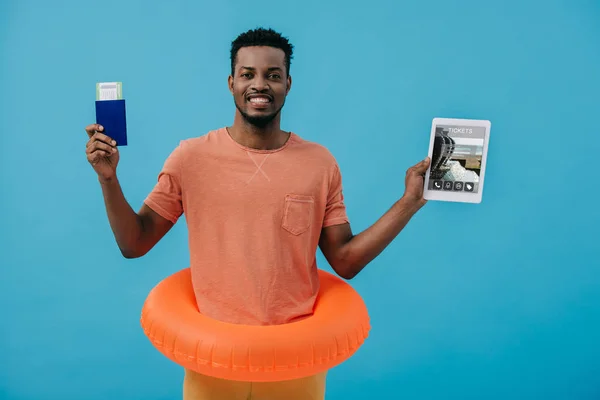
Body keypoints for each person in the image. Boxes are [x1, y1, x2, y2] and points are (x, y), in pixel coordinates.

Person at [84, 27, 430, 400]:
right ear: (232, 82)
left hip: (294, 361)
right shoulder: (191, 158)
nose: (259, 85)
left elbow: (344, 260)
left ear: (288, 84)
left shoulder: (320, 164)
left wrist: (408, 201)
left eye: (273, 75)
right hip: (214, 359)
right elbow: (134, 242)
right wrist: (108, 179)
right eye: (248, 74)